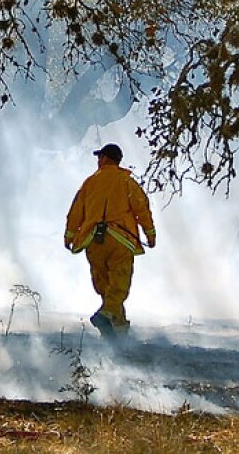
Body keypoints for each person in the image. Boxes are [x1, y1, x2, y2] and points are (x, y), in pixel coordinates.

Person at [64, 143, 156, 337]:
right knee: (119, 282)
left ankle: (118, 332)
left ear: (106, 158)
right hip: (120, 240)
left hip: (92, 241)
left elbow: (76, 211)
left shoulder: (89, 183)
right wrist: (150, 233)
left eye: (100, 157)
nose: (98, 161)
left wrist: (70, 235)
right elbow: (141, 208)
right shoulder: (127, 182)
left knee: (105, 286)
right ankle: (107, 316)